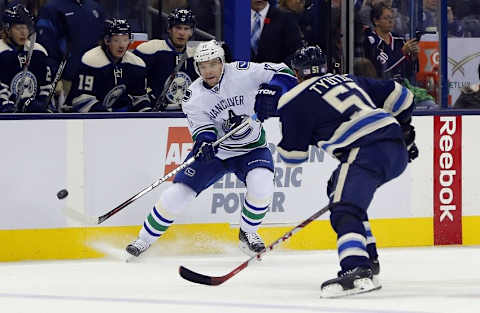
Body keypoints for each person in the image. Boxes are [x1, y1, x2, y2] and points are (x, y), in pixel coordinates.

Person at [254, 46, 417, 298]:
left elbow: (293, 157)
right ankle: (368, 257)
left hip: (364, 151)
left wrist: (296, 129)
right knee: (336, 187)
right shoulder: (348, 79)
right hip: (395, 147)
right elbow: (402, 96)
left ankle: (356, 268)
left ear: (296, 74)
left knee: (343, 208)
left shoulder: (291, 99)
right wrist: (406, 131)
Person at [125, 40, 297, 258]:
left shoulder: (243, 72)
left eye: (213, 64)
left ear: (222, 62)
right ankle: (143, 240)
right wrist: (205, 141)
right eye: (203, 66)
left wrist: (272, 90)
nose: (208, 71)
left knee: (262, 186)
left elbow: (285, 71)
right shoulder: (192, 95)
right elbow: (202, 127)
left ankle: (248, 233)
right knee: (177, 195)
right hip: (217, 152)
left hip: (251, 148)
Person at [65, 19, 151, 112]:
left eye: (125, 40)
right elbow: (81, 100)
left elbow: (139, 98)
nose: (121, 45)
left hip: (118, 119)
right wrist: (108, 115)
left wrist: (146, 113)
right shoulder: (91, 61)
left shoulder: (136, 64)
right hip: (84, 120)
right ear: (107, 40)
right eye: (116, 40)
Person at [35, 0, 105, 100]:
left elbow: (103, 42)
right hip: (66, 80)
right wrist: (55, 78)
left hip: (95, 80)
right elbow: (46, 47)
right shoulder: (51, 8)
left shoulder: (95, 7)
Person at [133, 8, 198, 111]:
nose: (182, 33)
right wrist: (146, 103)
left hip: (184, 115)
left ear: (191, 32)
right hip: (155, 114)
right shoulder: (151, 49)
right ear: (169, 29)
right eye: (178, 28)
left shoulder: (195, 56)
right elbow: (132, 81)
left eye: (186, 29)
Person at [0, 3, 52, 113]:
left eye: (26, 27)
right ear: (7, 29)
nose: (23, 32)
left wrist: (42, 103)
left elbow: (45, 87)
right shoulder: (1, 51)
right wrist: (6, 105)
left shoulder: (38, 51)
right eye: (18, 28)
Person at [363, 2, 418, 80]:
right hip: (381, 87)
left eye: (392, 18)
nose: (390, 21)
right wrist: (402, 53)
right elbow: (383, 70)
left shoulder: (399, 40)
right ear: (376, 21)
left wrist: (413, 58)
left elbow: (408, 72)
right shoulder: (371, 41)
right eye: (386, 18)